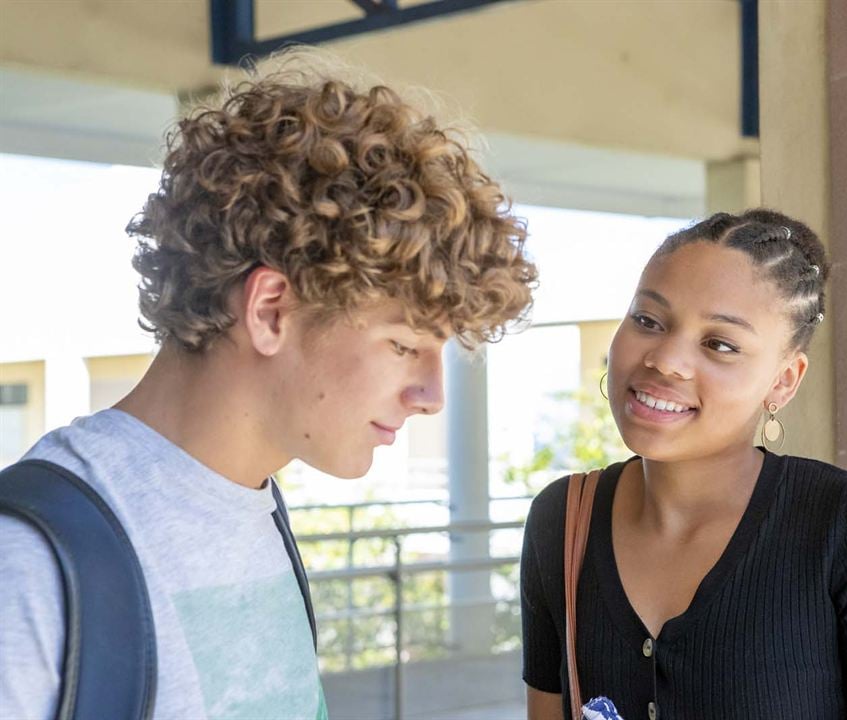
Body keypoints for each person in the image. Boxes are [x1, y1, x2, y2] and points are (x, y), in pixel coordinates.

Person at [0, 56, 536, 719]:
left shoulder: (258, 512)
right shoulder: (28, 564)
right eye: (403, 346)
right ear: (271, 311)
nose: (431, 396)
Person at [520, 209, 847, 720]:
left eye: (720, 344)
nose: (665, 359)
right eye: (648, 320)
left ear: (783, 381)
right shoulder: (562, 521)